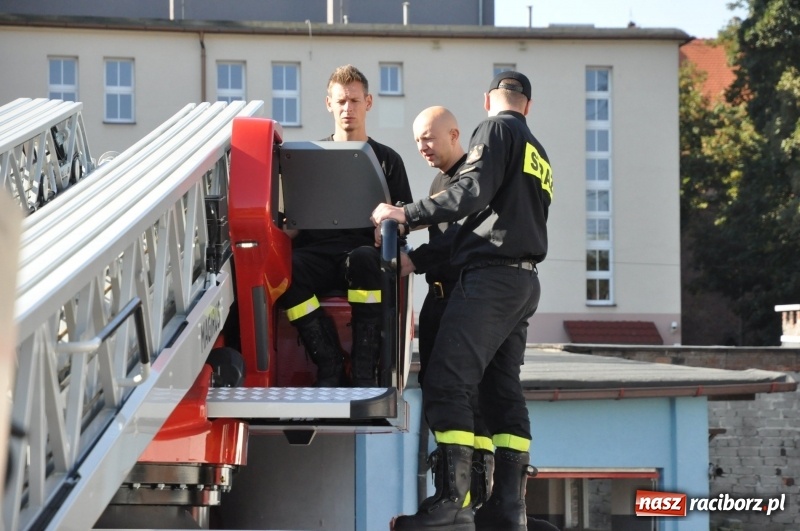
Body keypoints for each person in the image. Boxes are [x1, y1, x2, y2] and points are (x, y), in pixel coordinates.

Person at [373, 71, 553, 531]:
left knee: (446, 382)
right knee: (500, 392)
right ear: (528, 106)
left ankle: (452, 503)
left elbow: (471, 193)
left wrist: (405, 214)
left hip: (489, 278)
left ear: (488, 100)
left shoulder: (494, 129)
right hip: (523, 281)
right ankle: (507, 508)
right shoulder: (537, 151)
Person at [278, 64, 413, 387]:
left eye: (354, 101)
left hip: (365, 256)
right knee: (286, 269)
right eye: (341, 101)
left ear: (368, 102)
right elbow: (290, 218)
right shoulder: (309, 159)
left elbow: (406, 216)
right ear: (329, 104)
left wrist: (392, 227)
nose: (347, 108)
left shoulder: (387, 159)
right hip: (316, 256)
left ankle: (365, 366)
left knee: (365, 259)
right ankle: (329, 360)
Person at [402, 106, 497, 513]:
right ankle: (454, 489)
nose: (422, 146)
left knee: (464, 393)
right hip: (439, 299)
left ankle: (469, 496)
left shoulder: (469, 181)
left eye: (428, 137)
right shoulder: (441, 181)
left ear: (454, 134)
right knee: (437, 389)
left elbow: (454, 242)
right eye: (417, 140)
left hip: (463, 298)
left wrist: (413, 260)